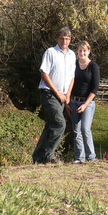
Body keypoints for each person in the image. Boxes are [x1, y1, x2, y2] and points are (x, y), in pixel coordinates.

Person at [32, 27, 76, 164]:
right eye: (62, 38)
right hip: (49, 93)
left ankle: (38, 157)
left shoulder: (72, 55)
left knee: (51, 125)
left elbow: (71, 76)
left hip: (63, 95)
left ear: (70, 40)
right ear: (58, 38)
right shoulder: (51, 52)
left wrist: (68, 94)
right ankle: (48, 156)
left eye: (67, 39)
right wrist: (57, 92)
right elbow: (44, 74)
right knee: (59, 124)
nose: (64, 41)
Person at [67, 40, 100, 163]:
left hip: (88, 103)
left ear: (89, 51)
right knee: (76, 130)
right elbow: (69, 82)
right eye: (80, 50)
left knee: (85, 129)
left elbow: (95, 88)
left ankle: (91, 157)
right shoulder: (74, 64)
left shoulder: (93, 67)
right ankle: (79, 158)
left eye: (84, 50)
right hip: (74, 101)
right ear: (77, 52)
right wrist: (67, 102)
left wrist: (86, 104)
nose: (82, 53)